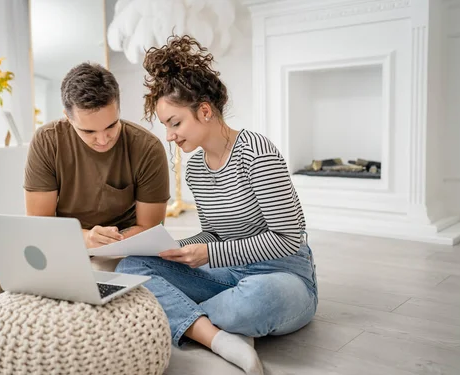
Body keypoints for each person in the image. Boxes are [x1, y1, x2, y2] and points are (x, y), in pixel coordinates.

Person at [0, 63, 170, 375]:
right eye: (89, 131)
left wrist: (102, 242)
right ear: (68, 117)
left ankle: (52, 351)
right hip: (58, 240)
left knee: (89, 275)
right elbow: (39, 222)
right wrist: (84, 237)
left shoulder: (146, 148)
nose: (103, 140)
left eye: (111, 127)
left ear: (119, 108)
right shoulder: (48, 140)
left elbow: (149, 227)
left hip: (116, 249)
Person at [115, 35, 318, 375]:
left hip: (281, 276)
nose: (169, 136)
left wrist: (208, 255)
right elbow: (213, 232)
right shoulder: (195, 168)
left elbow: (288, 238)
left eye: (175, 123)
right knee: (131, 266)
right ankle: (219, 337)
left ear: (205, 111)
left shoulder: (257, 153)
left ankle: (182, 318)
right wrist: (176, 249)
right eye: (166, 126)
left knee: (256, 301)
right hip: (228, 275)